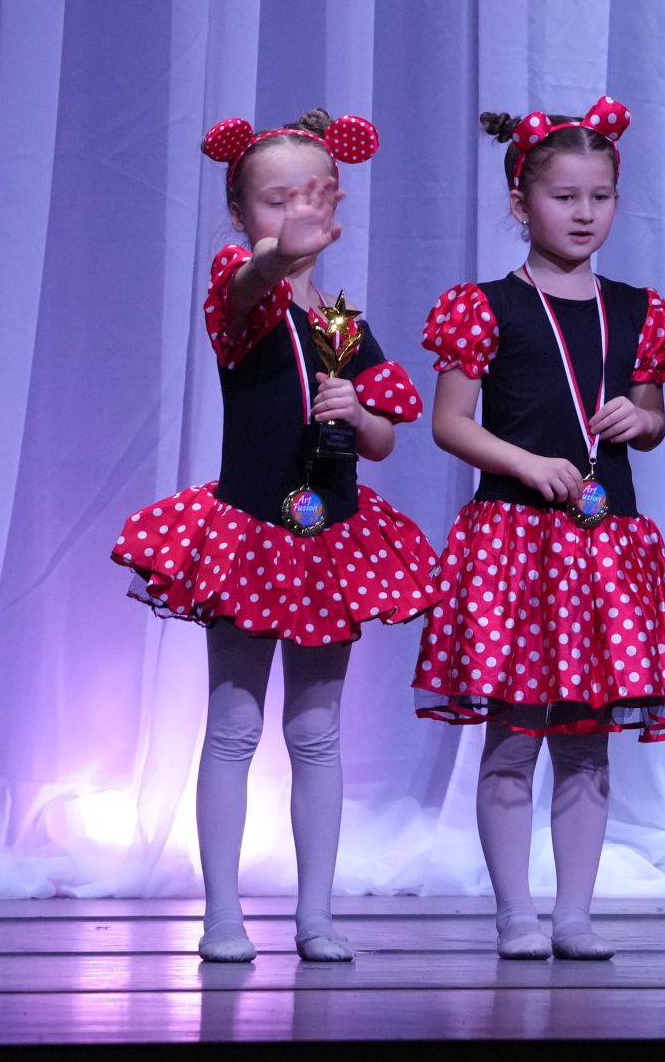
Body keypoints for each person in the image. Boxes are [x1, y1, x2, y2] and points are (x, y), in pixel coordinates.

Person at [112, 110, 437, 963]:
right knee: (232, 725)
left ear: (336, 203)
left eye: (312, 196)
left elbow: (382, 440)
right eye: (276, 199)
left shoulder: (342, 321)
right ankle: (223, 915)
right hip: (252, 533)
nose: (297, 212)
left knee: (317, 731)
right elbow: (250, 285)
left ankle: (316, 916)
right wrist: (274, 255)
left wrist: (357, 409)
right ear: (241, 211)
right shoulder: (241, 289)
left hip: (330, 540)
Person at [415, 99, 665, 962]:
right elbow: (449, 423)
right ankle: (515, 912)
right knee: (514, 736)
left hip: (605, 544)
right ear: (520, 201)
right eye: (564, 196)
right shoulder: (484, 305)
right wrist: (526, 463)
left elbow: (654, 418)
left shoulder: (638, 309)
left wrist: (641, 420)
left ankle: (574, 913)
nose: (584, 214)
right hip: (515, 540)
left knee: (586, 741)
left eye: (599, 197)